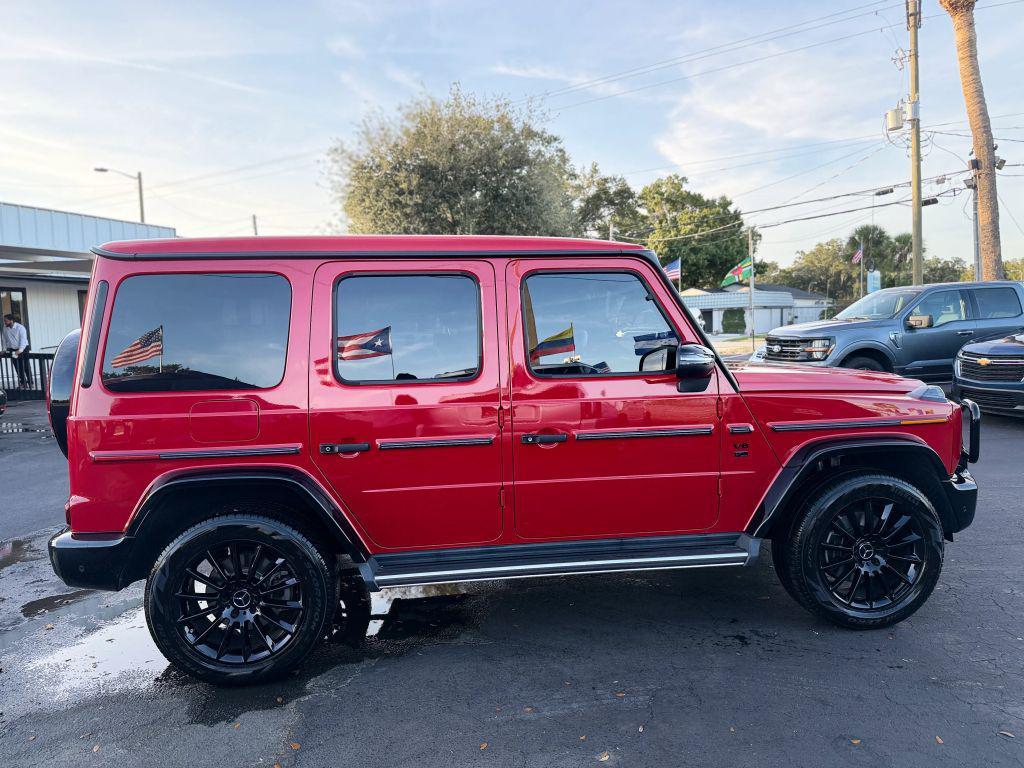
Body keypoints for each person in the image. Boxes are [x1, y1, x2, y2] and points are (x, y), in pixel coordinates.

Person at [2, 313, 31, 388]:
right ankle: (23, 383)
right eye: (4, 321)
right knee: (17, 366)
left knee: (25, 366)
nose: (5, 322)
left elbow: (23, 340)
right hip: (13, 349)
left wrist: (20, 350)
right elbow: (4, 339)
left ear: (11, 320)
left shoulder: (20, 328)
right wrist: (4, 349)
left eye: (6, 321)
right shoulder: (5, 328)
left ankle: (31, 382)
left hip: (23, 348)